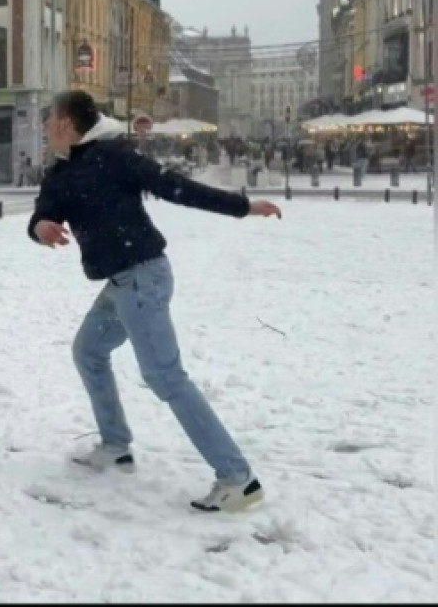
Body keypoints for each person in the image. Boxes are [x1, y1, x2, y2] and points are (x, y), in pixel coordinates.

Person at [27, 90, 281, 513]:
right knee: (89, 351)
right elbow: (41, 213)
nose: (43, 125)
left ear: (66, 123)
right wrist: (42, 228)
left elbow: (173, 186)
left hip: (143, 278)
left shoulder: (115, 155)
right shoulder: (60, 172)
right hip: (120, 283)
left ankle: (239, 478)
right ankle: (116, 446)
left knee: (165, 376)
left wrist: (242, 207)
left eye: (48, 117)